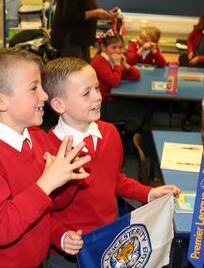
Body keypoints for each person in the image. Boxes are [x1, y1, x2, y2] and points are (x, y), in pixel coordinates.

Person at [0, 49, 92, 267]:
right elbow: (2, 229)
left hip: (38, 259)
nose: (45, 95)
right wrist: (47, 182)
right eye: (33, 88)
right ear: (0, 102)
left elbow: (48, 205)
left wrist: (68, 176)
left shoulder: (36, 137)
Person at [41, 57, 181, 267]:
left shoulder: (109, 133)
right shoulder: (48, 150)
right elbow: (41, 209)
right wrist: (60, 236)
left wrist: (148, 193)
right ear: (59, 105)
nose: (98, 97)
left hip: (109, 242)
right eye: (86, 93)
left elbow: (113, 179)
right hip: (70, 253)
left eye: (97, 88)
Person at [91, 30, 145, 147]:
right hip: (100, 105)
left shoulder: (110, 60)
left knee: (141, 109)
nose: (118, 51)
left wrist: (125, 65)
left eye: (120, 47)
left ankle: (119, 137)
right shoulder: (99, 61)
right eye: (114, 47)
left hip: (110, 99)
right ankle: (117, 142)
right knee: (137, 118)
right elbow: (114, 81)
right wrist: (117, 65)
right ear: (103, 47)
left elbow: (136, 76)